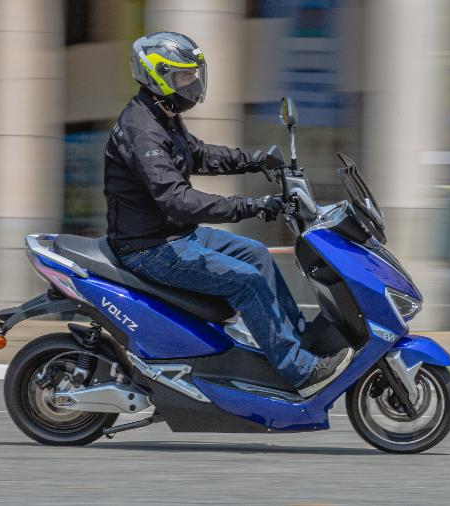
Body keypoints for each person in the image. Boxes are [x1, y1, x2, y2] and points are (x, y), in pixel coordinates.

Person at [104, 31, 352, 397]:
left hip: (176, 234)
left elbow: (199, 154)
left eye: (194, 75)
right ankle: (299, 372)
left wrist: (255, 159)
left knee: (256, 255)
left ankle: (299, 343)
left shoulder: (163, 115)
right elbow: (177, 200)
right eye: (184, 76)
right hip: (148, 248)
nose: (193, 83)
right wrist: (250, 206)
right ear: (158, 76)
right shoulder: (142, 131)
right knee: (245, 279)